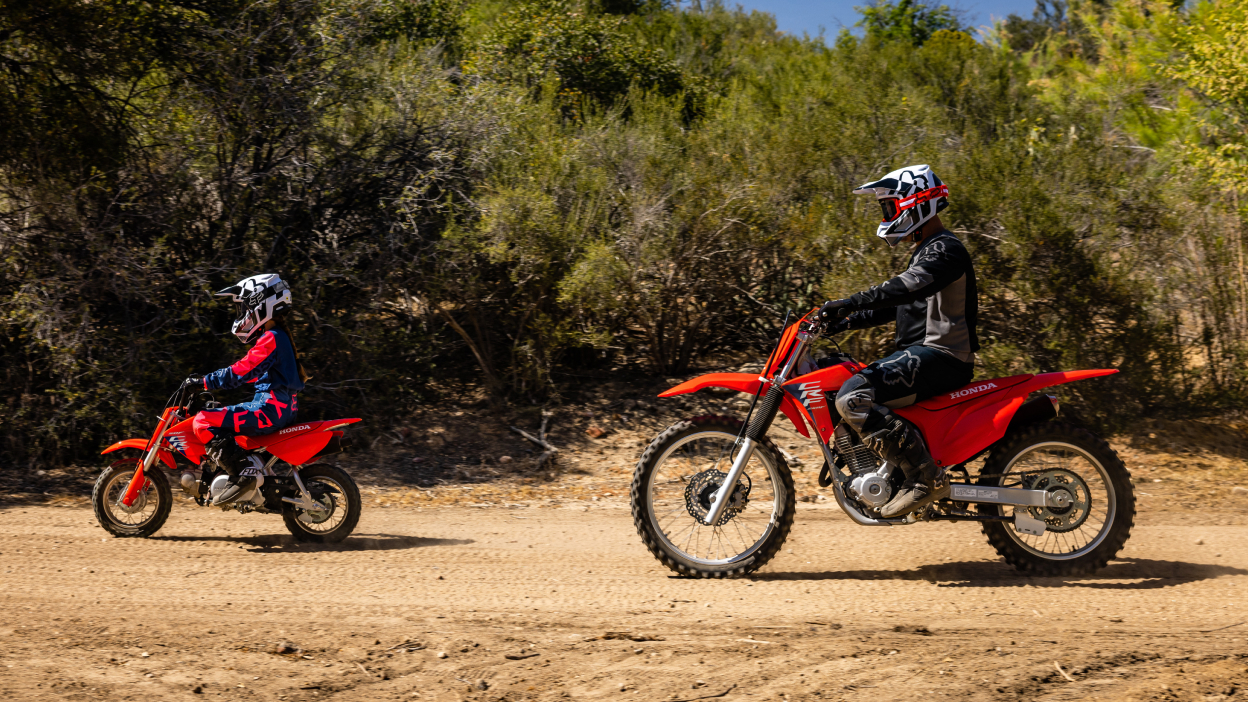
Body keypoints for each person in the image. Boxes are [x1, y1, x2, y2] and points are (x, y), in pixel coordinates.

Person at [819, 164, 978, 518]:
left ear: (916, 203)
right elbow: (901, 305)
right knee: (840, 386)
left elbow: (904, 288)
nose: (887, 215)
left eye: (890, 207)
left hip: (943, 356)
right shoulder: (927, 251)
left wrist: (850, 301)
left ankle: (924, 477)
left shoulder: (945, 249)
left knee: (852, 397)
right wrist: (844, 321)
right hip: (925, 355)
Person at [188, 274, 308, 506]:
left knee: (202, 421)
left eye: (244, 307)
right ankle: (245, 472)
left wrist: (205, 381)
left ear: (260, 305)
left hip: (269, 410)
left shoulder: (271, 338)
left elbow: (242, 370)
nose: (242, 313)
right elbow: (250, 372)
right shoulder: (278, 336)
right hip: (280, 409)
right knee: (221, 417)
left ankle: (243, 474)